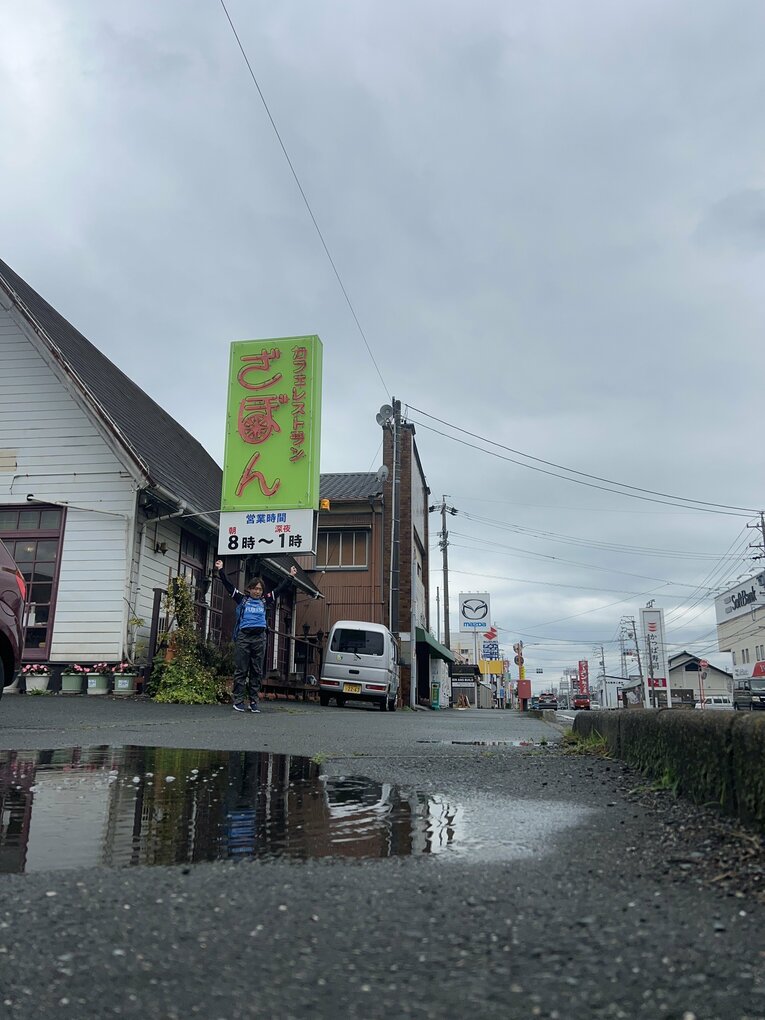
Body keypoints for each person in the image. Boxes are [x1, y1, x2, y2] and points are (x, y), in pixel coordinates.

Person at [215, 558, 298, 713]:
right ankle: (238, 701)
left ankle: (253, 701)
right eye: (254, 589)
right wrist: (220, 570)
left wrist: (291, 576)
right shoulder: (242, 599)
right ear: (249, 589)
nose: (257, 591)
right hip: (244, 637)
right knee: (241, 669)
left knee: (256, 670)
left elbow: (280, 589)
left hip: (260, 638)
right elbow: (228, 585)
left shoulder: (265, 601)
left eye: (260, 589)